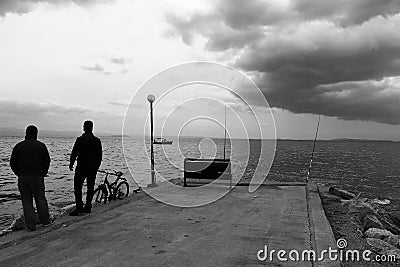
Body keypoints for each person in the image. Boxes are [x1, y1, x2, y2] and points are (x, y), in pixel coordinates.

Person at [10, 125, 52, 231]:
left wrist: (18, 173)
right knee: (40, 198)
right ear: (36, 134)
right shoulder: (41, 146)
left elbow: (12, 163)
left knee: (26, 201)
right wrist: (43, 173)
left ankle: (31, 225)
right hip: (37, 177)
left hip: (23, 177)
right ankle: (45, 221)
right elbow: (47, 161)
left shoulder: (19, 146)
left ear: (26, 133)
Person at [69, 120, 102, 216]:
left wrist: (71, 164)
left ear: (84, 128)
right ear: (92, 128)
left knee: (78, 188)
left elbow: (74, 153)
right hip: (92, 168)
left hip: (81, 167)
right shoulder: (97, 141)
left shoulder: (80, 140)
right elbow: (99, 157)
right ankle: (88, 206)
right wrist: (96, 167)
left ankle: (79, 207)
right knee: (90, 187)